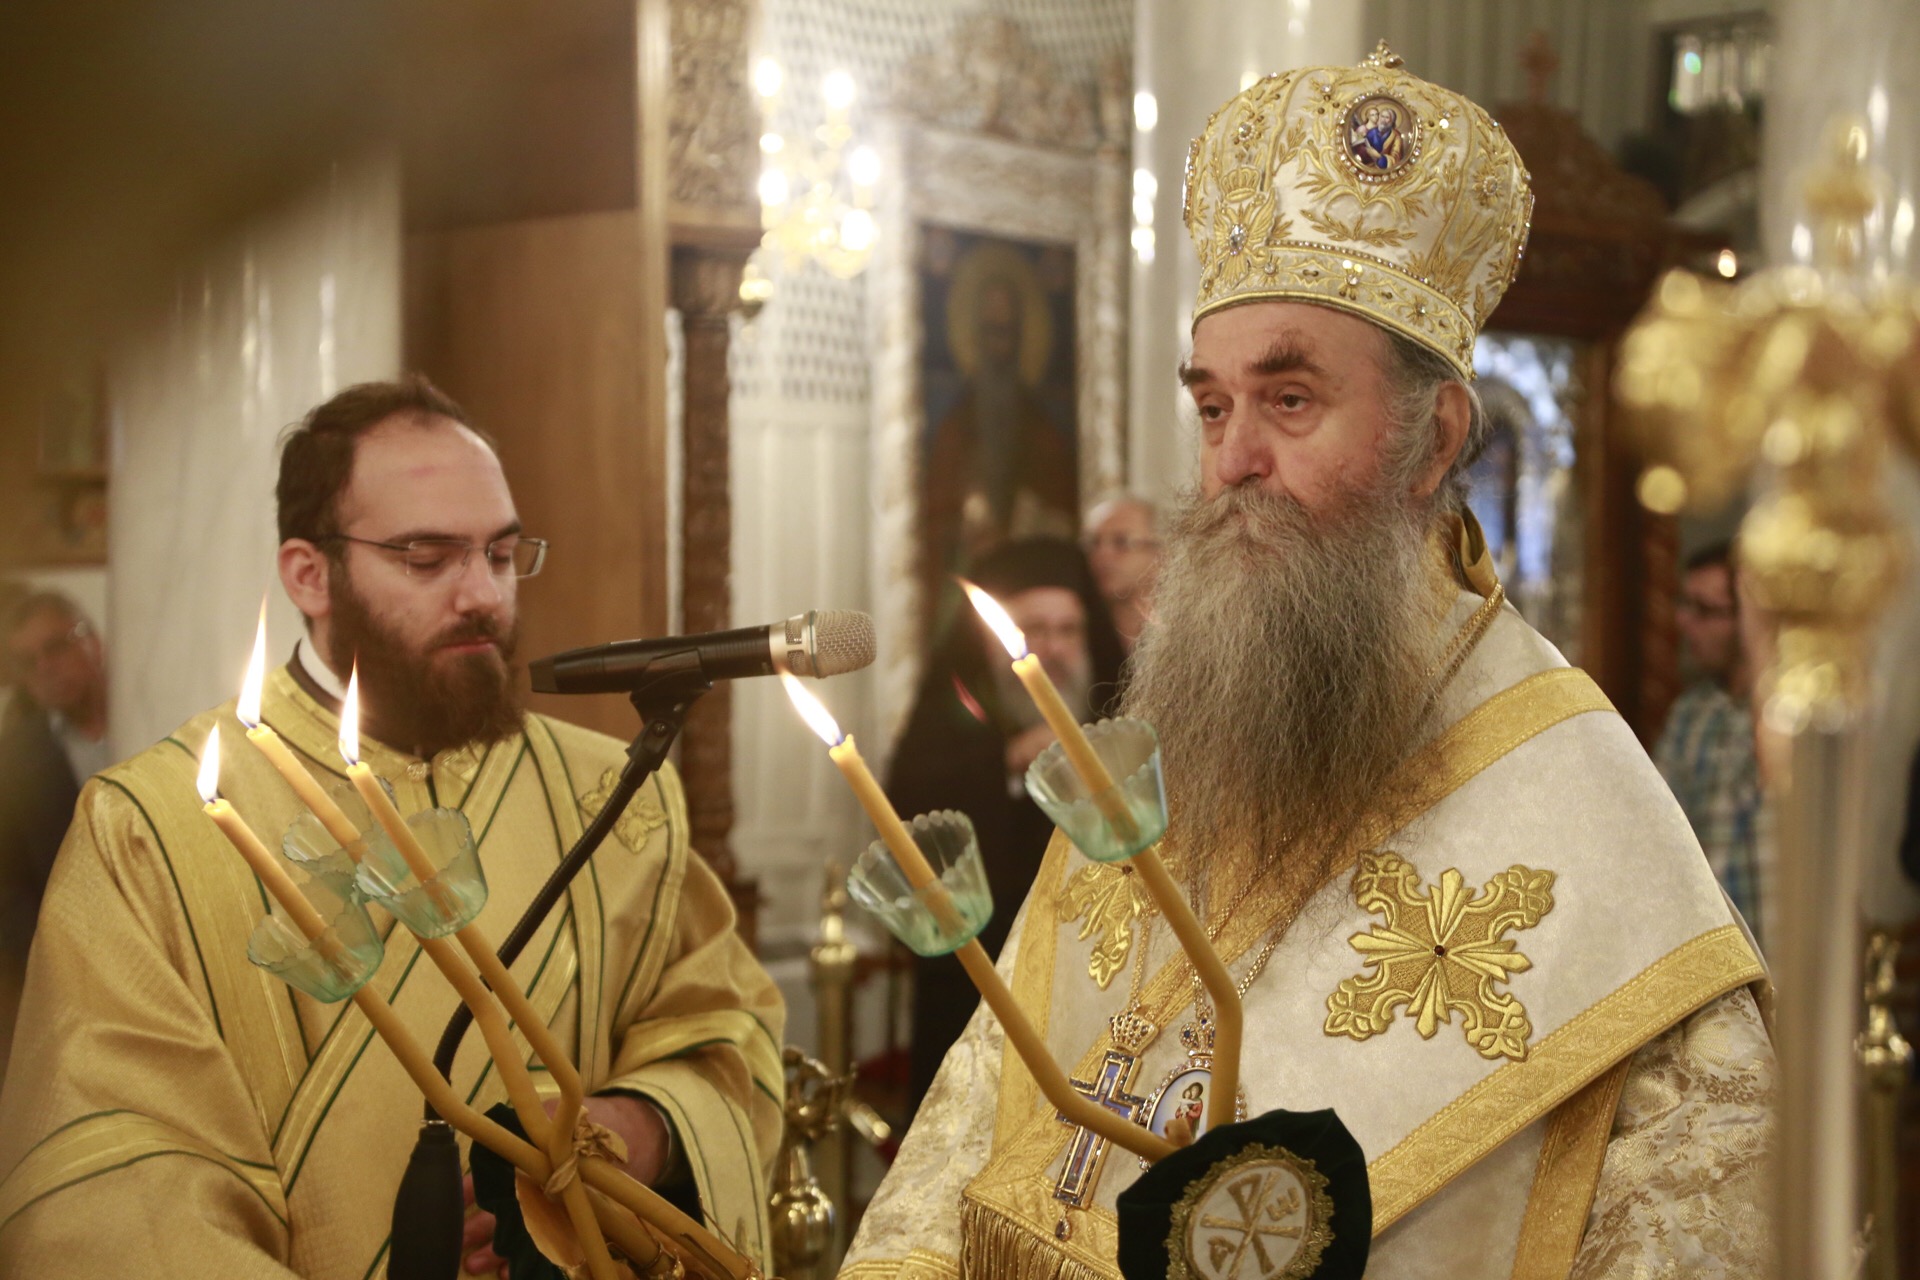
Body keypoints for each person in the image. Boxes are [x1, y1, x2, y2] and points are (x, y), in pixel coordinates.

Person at [843, 43, 1771, 1280]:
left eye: (1288, 401)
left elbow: (1699, 1215)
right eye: (1213, 406)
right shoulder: (1174, 748)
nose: (1232, 460)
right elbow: (975, 1135)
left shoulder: (1577, 792)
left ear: (1432, 440)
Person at [0, 377, 785, 1279]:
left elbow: (724, 1033)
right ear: (309, 574)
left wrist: (632, 1132)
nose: (482, 594)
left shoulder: (614, 792)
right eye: (426, 558)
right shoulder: (152, 824)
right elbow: (111, 1174)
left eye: (501, 553)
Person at [886, 538, 1125, 1112]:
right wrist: (1009, 764)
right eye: (1033, 630)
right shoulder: (947, 726)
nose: (1053, 649)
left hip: (1091, 989)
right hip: (972, 993)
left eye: (1067, 630)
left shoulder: (1119, 719)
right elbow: (913, 813)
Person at [1653, 541, 1765, 949]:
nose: (1683, 622)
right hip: (1713, 952)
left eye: (1703, 609)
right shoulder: (1690, 714)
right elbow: (1656, 831)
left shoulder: (1789, 714)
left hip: (1784, 950)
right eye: (1684, 605)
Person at [1081, 495, 1161, 654]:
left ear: (1160, 554)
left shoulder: (1181, 628)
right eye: (1094, 542)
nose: (1103, 555)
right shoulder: (1078, 631)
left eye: (1121, 542)